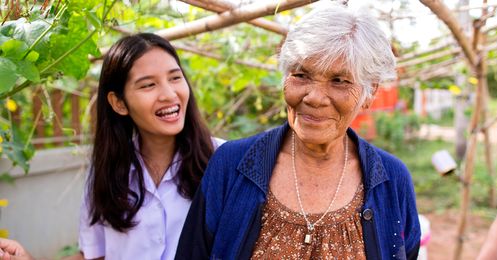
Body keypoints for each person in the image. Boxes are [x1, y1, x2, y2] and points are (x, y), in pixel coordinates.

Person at [175, 3, 421, 260]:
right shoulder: (231, 164)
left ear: (369, 93)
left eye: (339, 81)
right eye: (301, 75)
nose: (314, 97)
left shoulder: (392, 180)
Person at [0, 33, 222, 260]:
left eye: (175, 78)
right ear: (119, 103)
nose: (169, 94)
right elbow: (94, 255)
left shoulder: (225, 161)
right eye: (148, 85)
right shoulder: (108, 170)